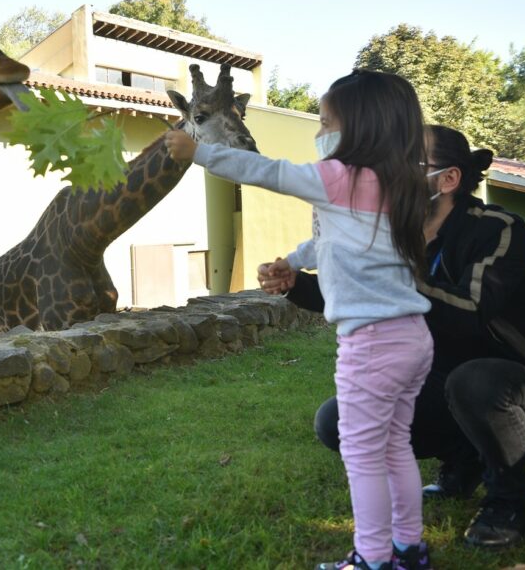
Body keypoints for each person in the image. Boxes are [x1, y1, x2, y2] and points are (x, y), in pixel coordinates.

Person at [260, 124, 525, 551]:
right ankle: (461, 460)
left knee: (473, 381)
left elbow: (470, 311)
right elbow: (354, 294)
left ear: (448, 179)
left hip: (518, 389)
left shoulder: (499, 228)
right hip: (435, 378)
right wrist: (295, 283)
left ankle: (509, 503)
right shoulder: (391, 232)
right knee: (337, 420)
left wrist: (391, 274)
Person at [166, 69, 435, 570]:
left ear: (359, 126)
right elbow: (335, 239)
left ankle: (374, 559)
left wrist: (197, 151)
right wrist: (294, 259)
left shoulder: (340, 177)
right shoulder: (398, 184)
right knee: (396, 444)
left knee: (361, 455)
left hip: (371, 344)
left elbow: (267, 171)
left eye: (324, 121)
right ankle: (408, 548)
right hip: (411, 338)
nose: (318, 132)